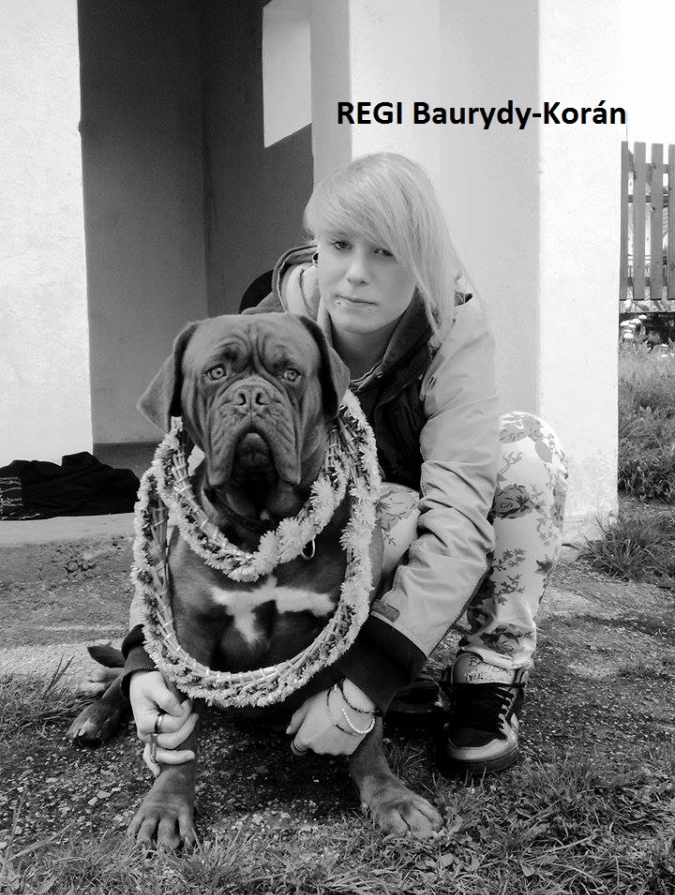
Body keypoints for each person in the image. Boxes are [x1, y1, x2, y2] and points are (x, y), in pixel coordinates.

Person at [122, 152, 568, 777]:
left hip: (403, 502)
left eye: (385, 252)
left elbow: (459, 517)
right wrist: (147, 653)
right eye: (339, 245)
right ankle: (358, 661)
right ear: (316, 247)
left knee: (525, 453)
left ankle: (487, 670)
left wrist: (368, 681)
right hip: (323, 519)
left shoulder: (453, 328)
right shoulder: (270, 326)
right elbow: (185, 501)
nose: (357, 274)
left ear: (422, 260)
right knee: (363, 511)